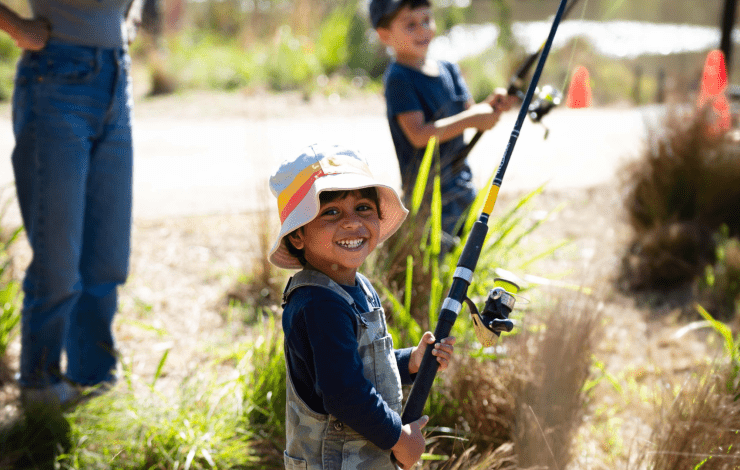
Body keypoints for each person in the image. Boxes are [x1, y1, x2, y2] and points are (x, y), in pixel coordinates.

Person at [269, 143, 457, 470]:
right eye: (331, 212)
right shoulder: (318, 304)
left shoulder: (358, 287)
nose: (352, 223)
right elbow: (343, 392)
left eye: (364, 208)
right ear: (297, 235)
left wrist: (410, 362)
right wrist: (399, 437)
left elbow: (359, 369)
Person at [0, 0, 141, 412]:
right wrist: (15, 26)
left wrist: (130, 17)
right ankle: (41, 394)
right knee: (58, 264)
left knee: (107, 261)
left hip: (117, 79)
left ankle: (95, 386)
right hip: (56, 78)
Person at [370, 0, 516, 240]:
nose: (423, 29)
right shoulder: (399, 77)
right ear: (385, 35)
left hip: (463, 186)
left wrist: (491, 106)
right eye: (411, 24)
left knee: (467, 256)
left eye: (427, 20)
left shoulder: (449, 69)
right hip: (428, 197)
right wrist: (472, 118)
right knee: (435, 263)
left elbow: (470, 113)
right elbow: (418, 135)